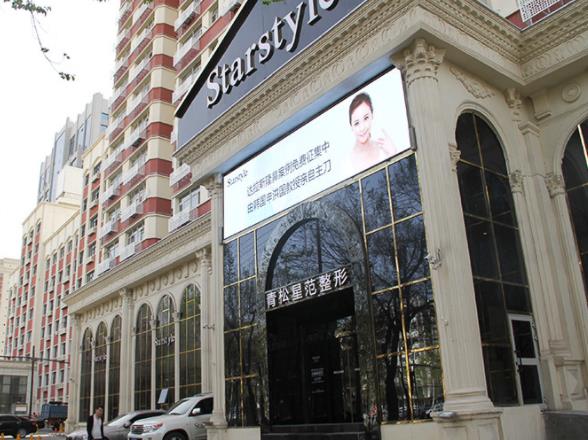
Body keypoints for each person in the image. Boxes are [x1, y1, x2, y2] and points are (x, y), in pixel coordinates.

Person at [348, 92, 396, 172]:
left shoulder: (384, 150)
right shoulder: (347, 163)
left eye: (366, 118)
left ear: (372, 116)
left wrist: (393, 153)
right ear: (351, 126)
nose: (362, 128)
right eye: (356, 123)